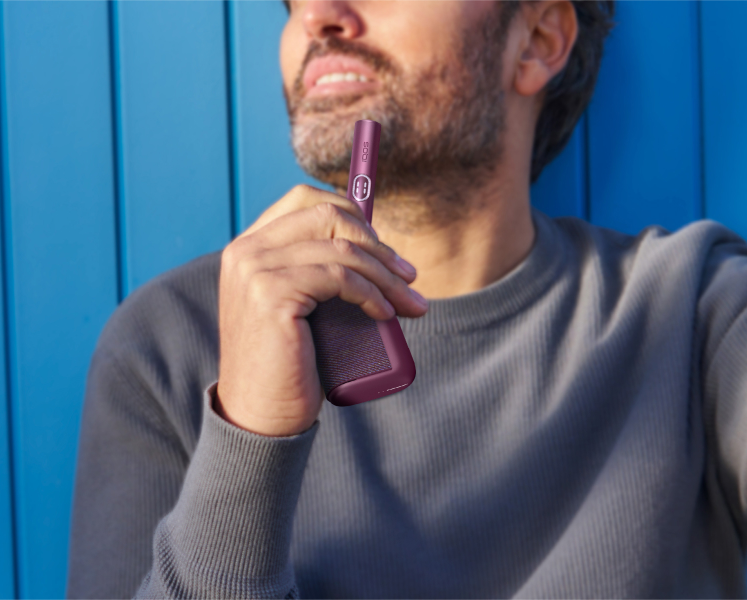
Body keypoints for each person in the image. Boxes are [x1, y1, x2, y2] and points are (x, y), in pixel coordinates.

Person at [66, 0, 747, 597]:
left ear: (537, 40)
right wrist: (249, 436)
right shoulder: (166, 346)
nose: (318, 14)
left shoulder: (699, 309)